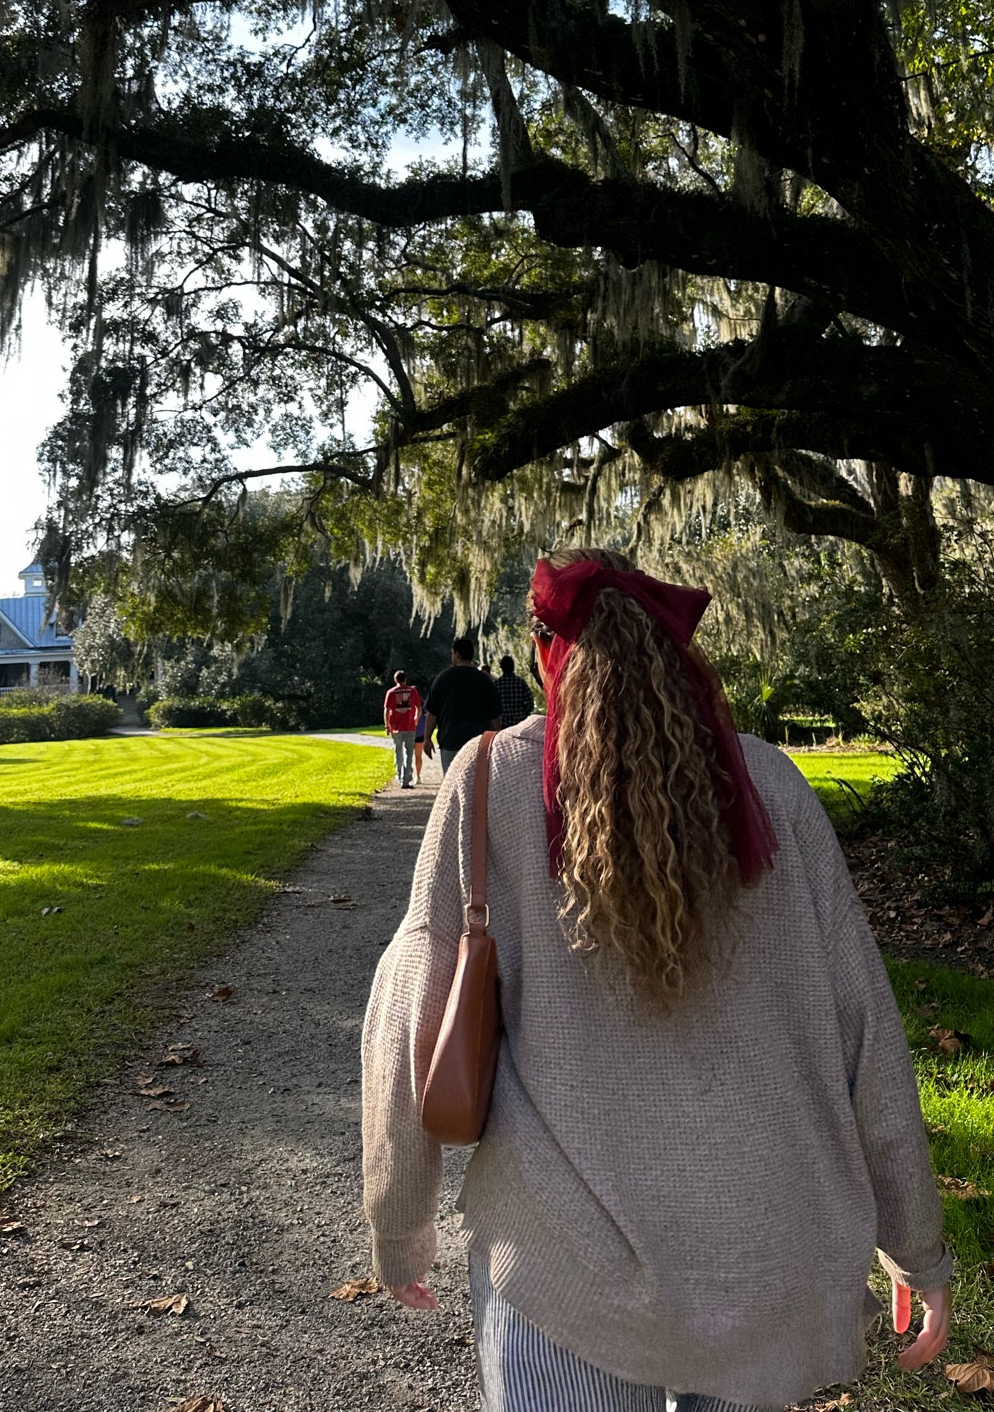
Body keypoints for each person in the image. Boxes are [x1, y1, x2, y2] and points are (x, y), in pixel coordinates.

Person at [362, 548, 952, 1412]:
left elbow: (411, 1014)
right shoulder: (772, 788)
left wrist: (400, 1226)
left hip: (560, 1265)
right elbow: (867, 1032)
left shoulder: (490, 783)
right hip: (763, 1254)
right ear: (681, 653)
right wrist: (916, 1248)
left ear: (541, 652)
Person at [420, 637, 501, 775]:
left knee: (451, 783)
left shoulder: (442, 679)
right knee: (476, 786)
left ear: (457, 654)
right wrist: (496, 739)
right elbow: (494, 716)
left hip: (450, 741)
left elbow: (432, 713)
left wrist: (427, 738)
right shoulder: (484, 680)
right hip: (478, 742)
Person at [383, 670, 424, 789]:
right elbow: (419, 706)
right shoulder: (412, 691)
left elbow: (387, 710)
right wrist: (416, 718)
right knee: (409, 753)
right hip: (410, 726)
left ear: (395, 680)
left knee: (398, 752)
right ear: (405, 679)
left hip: (396, 727)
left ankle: (399, 775)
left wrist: (387, 725)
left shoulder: (390, 692)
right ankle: (406, 780)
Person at [493, 652, 534, 729]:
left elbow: (493, 706)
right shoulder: (520, 683)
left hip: (503, 725)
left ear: (502, 668)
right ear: (513, 667)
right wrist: (524, 714)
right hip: (520, 723)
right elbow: (530, 703)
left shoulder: (496, 685)